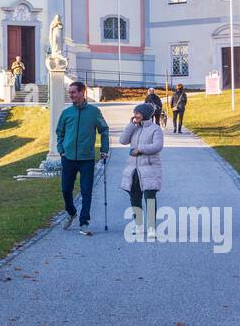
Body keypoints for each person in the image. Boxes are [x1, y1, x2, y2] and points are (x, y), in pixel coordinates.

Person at [55, 80, 109, 236]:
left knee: (86, 191)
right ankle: (71, 212)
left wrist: (104, 149)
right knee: (66, 189)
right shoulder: (67, 113)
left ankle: (84, 222)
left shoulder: (94, 112)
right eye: (69, 92)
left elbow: (104, 130)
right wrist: (61, 150)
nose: (70, 95)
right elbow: (60, 132)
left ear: (82, 93)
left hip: (87, 158)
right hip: (68, 157)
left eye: (73, 92)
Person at [120, 102, 165, 240]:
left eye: (137, 113)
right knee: (134, 196)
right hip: (134, 168)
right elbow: (122, 140)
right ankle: (138, 224)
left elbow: (158, 146)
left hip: (150, 168)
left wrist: (140, 149)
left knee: (150, 197)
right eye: (134, 113)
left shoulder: (155, 129)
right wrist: (131, 125)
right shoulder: (134, 127)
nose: (135, 115)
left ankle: (151, 227)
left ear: (145, 114)